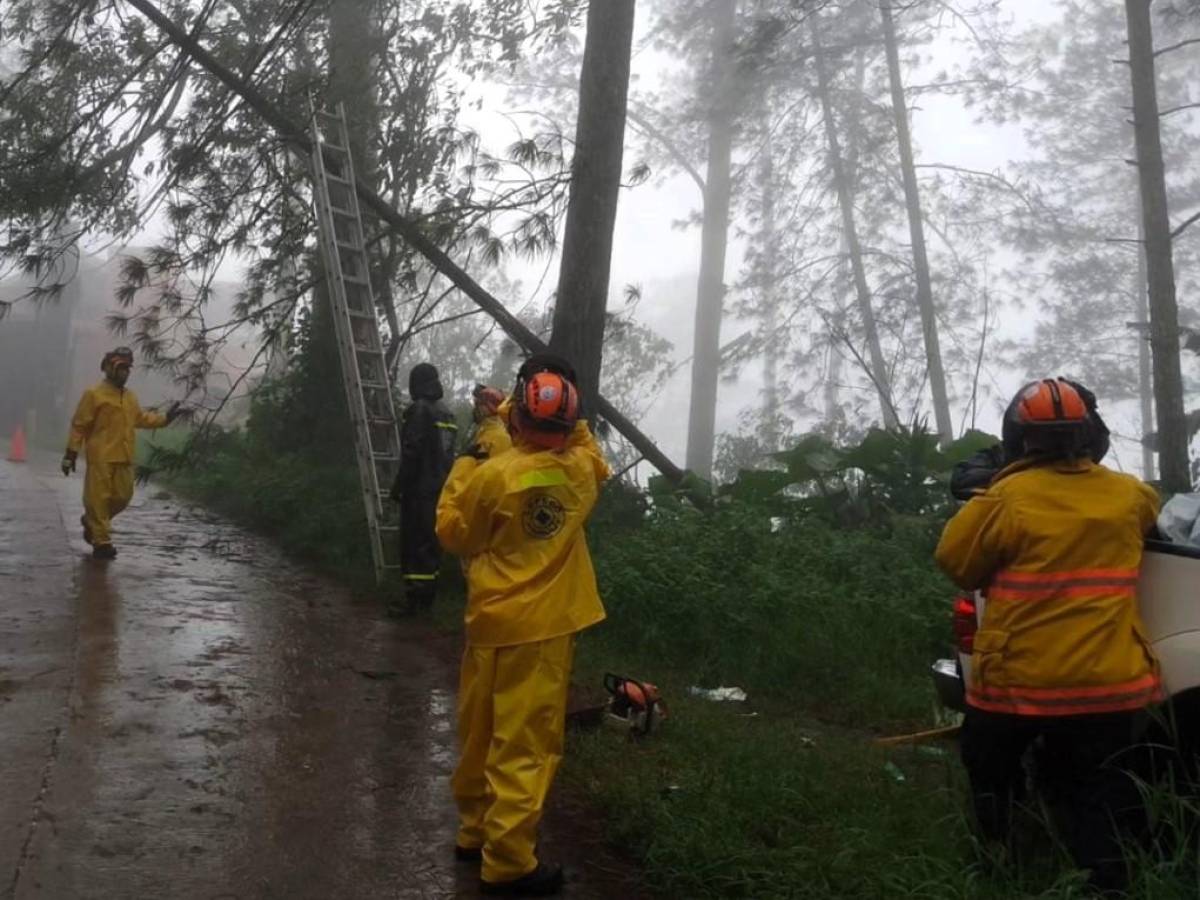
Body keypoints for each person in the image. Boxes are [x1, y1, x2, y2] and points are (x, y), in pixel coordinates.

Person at [935, 378, 1161, 894]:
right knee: (1098, 787)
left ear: (1019, 437)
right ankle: (1107, 882)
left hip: (1022, 684)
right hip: (1110, 685)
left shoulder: (1006, 498)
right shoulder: (1131, 495)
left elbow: (955, 561)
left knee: (988, 764)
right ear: (1087, 434)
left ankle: (1000, 864)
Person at [436, 354, 609, 897]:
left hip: (490, 623)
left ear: (518, 421)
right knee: (525, 745)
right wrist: (534, 407)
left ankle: (475, 831)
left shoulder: (493, 475)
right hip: (543, 632)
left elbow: (454, 534)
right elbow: (582, 442)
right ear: (571, 420)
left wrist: (472, 453)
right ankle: (509, 862)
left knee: (480, 732)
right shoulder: (582, 473)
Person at [62, 347, 181, 559]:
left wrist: (165, 419)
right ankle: (102, 543)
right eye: (120, 367)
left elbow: (141, 419)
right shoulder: (94, 395)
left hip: (124, 456)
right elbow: (79, 425)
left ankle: (92, 522)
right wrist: (71, 453)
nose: (125, 372)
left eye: (127, 368)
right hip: (101, 457)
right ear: (108, 368)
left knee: (122, 497)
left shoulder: (130, 398)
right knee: (98, 500)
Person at [950, 377, 1110, 500]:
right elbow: (963, 481)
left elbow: (955, 542)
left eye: (1064, 434)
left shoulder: (1000, 503)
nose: (1057, 442)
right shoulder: (1128, 493)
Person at [389, 362, 457, 611]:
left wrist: (398, 486)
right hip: (441, 489)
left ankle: (413, 601)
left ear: (417, 383)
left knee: (414, 543)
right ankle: (427, 599)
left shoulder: (420, 410)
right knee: (431, 545)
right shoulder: (447, 413)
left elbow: (412, 453)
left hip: (419, 490)